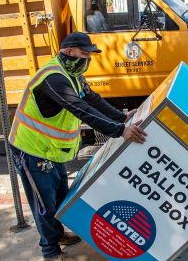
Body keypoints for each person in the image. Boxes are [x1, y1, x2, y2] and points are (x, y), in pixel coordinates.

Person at [8, 32, 147, 261]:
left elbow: (92, 99)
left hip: (51, 151)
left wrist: (121, 117)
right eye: (84, 54)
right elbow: (80, 109)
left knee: (60, 196)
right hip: (32, 151)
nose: (88, 60)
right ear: (68, 52)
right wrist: (120, 131)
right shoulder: (53, 78)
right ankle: (50, 252)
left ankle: (59, 235)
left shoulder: (72, 74)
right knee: (44, 204)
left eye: (89, 55)